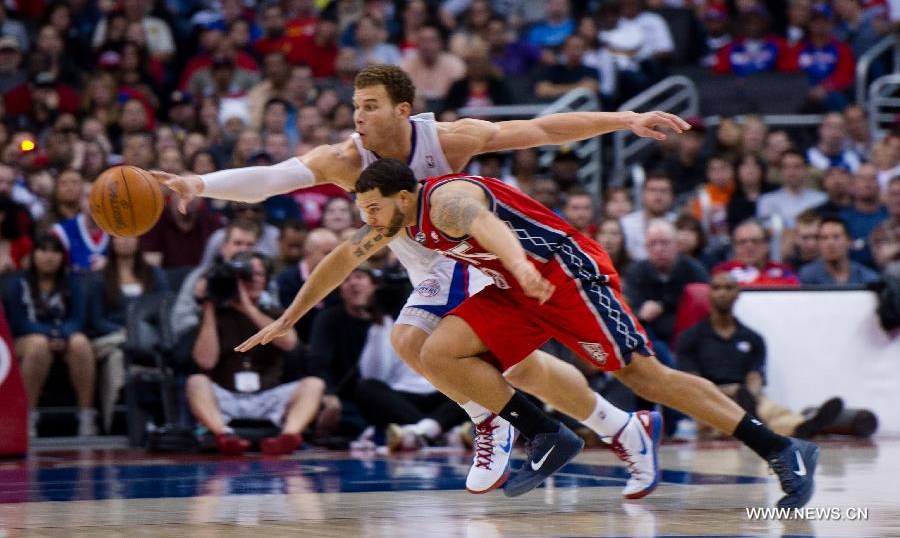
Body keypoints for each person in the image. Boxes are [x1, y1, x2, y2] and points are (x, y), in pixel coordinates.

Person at [151, 63, 689, 497]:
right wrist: (198, 183)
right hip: (424, 263)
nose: (358, 117)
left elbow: (542, 130)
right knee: (520, 368)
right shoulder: (346, 159)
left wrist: (625, 119)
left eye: (370, 106)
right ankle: (620, 427)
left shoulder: (447, 140)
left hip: (474, 253)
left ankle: (492, 421)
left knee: (413, 340)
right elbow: (271, 180)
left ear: (402, 110)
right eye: (355, 106)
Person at [240, 160, 820, 507]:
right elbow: (341, 259)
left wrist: (517, 264)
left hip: (564, 277)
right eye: (362, 209)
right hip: (516, 288)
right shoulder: (395, 222)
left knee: (646, 375)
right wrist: (289, 318)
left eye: (371, 207)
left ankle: (780, 447)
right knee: (433, 349)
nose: (367, 220)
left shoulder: (446, 199)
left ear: (400, 194)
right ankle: (545, 434)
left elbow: (486, 223)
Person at [187, 252, 325, 456]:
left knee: (314, 384)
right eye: (247, 275)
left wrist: (248, 308)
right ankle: (224, 435)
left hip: (268, 395)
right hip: (226, 395)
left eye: (260, 274)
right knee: (196, 382)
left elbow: (290, 344)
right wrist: (208, 305)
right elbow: (205, 361)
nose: (255, 279)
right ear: (235, 280)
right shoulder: (215, 314)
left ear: (267, 279)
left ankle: (288, 437)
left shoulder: (274, 312)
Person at [678, 272, 844, 439]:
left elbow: (755, 376)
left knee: (772, 410)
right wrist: (734, 392)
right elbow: (694, 386)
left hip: (748, 398)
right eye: (716, 288)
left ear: (737, 293)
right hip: (713, 399)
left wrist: (749, 396)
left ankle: (802, 424)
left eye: (728, 288)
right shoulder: (690, 338)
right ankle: (788, 427)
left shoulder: (753, 338)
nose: (722, 293)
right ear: (709, 293)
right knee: (722, 420)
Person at [4, 234, 96, 437]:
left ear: (62, 257)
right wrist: (50, 334)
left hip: (65, 336)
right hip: (26, 338)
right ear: (33, 255)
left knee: (81, 343)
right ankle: (28, 416)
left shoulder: (72, 281)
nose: (49, 256)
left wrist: (61, 334)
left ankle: (86, 416)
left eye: (55, 251)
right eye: (43, 250)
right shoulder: (18, 282)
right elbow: (18, 322)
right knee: (39, 345)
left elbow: (78, 318)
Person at [87, 236, 169, 432]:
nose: (125, 241)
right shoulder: (101, 277)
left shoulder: (154, 274)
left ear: (139, 241)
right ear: (112, 242)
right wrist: (120, 330)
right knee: (118, 356)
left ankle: (161, 416)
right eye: (119, 237)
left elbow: (166, 307)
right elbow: (96, 319)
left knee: (130, 354)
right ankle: (115, 416)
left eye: (130, 236)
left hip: (148, 337)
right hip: (113, 337)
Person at [624, 219, 710, 344]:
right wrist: (640, 314)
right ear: (646, 248)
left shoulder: (694, 269)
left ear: (676, 245)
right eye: (652, 244)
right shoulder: (636, 271)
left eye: (664, 243)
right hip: (651, 339)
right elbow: (628, 310)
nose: (658, 249)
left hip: (689, 335)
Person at [714, 219, 800, 286]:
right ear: (735, 246)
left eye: (755, 241)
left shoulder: (784, 271)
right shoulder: (723, 272)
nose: (749, 247)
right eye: (742, 242)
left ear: (766, 245)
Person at [798, 216, 881, 285]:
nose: (830, 243)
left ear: (849, 241)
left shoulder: (866, 277)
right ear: (819, 243)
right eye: (824, 238)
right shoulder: (807, 276)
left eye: (836, 237)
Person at [757, 150, 827, 229]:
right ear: (780, 171)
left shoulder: (821, 199)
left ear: (806, 170)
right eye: (786, 167)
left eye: (796, 167)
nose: (791, 172)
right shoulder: (767, 201)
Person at [620, 172, 676, 261]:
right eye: (652, 190)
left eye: (663, 191)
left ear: (672, 196)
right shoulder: (626, 224)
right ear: (643, 195)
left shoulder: (678, 223)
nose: (658, 196)